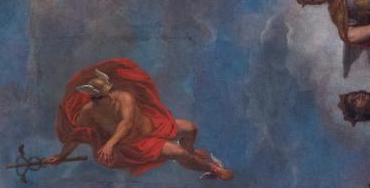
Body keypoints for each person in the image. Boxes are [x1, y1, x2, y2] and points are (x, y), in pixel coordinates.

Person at [46, 58, 231, 179]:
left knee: (191, 128)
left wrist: (110, 143)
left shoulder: (124, 97)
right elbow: (76, 136)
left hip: (153, 126)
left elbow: (127, 122)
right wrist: (62, 156)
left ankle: (191, 152)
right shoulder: (89, 112)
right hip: (137, 145)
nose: (109, 97)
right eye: (102, 96)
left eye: (109, 92)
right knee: (178, 153)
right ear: (93, 98)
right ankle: (213, 169)